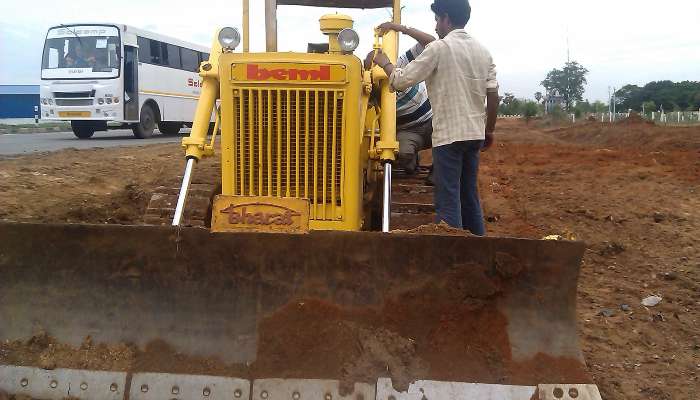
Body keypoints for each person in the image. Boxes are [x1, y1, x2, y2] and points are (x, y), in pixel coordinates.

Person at [370, 0, 499, 235]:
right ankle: (478, 249)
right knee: (469, 196)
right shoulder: (483, 51)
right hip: (474, 134)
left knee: (448, 198)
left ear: (446, 18)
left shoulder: (439, 49)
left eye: (437, 19)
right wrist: (488, 130)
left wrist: (385, 64)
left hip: (448, 138)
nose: (436, 25)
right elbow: (493, 95)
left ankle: (452, 257)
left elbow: (400, 81)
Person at [365, 24, 436, 175]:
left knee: (449, 135)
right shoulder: (370, 92)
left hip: (433, 120)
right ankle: (411, 159)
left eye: (378, 64)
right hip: (409, 131)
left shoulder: (401, 64)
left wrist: (401, 28)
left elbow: (430, 42)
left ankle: (439, 170)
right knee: (401, 154)